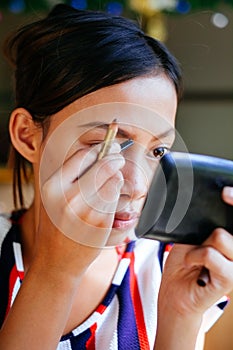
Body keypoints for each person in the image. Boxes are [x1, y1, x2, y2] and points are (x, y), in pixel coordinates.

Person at [0, 4, 233, 350]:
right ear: (27, 135)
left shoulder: (175, 272)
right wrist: (56, 272)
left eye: (158, 152)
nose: (137, 186)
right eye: (106, 145)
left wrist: (179, 318)